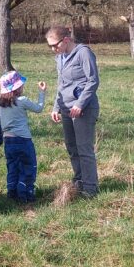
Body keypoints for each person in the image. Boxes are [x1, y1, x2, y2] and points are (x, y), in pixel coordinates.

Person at [46, 25, 100, 198]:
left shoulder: (84, 53)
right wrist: (56, 106)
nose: (53, 49)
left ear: (66, 40)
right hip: (66, 108)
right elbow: (62, 84)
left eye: (55, 45)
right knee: (72, 147)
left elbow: (93, 81)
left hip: (83, 109)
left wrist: (80, 104)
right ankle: (79, 181)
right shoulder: (59, 57)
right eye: (50, 46)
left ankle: (90, 188)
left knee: (84, 148)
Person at [0, 70, 46, 203]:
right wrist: (42, 92)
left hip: (8, 140)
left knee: (12, 166)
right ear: (17, 88)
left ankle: (12, 192)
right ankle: (26, 193)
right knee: (28, 166)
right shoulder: (22, 100)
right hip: (23, 140)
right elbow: (39, 108)